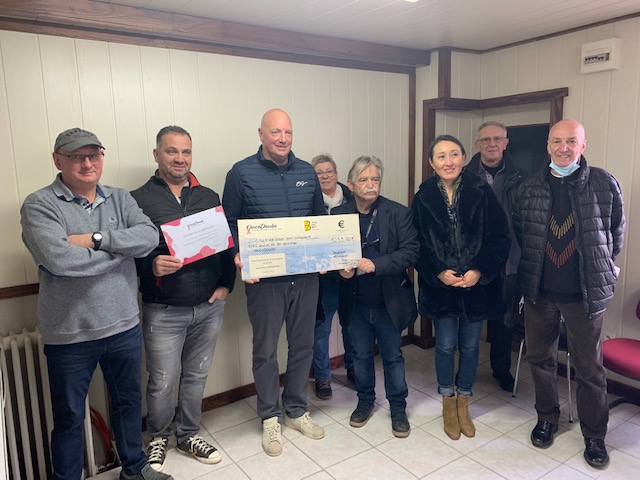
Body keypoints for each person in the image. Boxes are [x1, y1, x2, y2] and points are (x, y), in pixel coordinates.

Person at [20, 128, 172, 480]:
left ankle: (134, 469)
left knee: (129, 406)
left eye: (93, 155)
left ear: (102, 158)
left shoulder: (120, 198)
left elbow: (149, 237)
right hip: (69, 335)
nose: (87, 163)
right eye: (76, 157)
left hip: (123, 326)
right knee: (70, 418)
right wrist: (121, 252)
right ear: (58, 160)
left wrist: (95, 239)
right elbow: (60, 261)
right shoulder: (39, 204)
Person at [513, 119, 625, 469]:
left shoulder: (604, 183)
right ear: (548, 146)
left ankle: (594, 435)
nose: (563, 148)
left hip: (585, 295)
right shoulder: (529, 187)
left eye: (571, 141)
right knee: (540, 359)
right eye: (557, 141)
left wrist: (597, 266)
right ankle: (547, 417)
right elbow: (521, 233)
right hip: (539, 291)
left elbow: (614, 236)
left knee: (589, 368)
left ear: (583, 145)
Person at [222, 108, 326, 456]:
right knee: (265, 350)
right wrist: (238, 253)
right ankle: (270, 415)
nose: (283, 139)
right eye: (275, 132)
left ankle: (296, 409)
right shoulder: (241, 173)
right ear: (261, 134)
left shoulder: (306, 172)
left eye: (288, 133)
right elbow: (231, 223)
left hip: (305, 276)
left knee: (303, 345)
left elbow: (317, 221)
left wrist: (323, 255)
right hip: (264, 279)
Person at [131, 126, 236, 471]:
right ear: (156, 154)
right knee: (162, 379)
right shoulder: (138, 199)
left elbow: (224, 246)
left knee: (197, 374)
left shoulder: (208, 195)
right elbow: (127, 254)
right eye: (172, 151)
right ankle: (159, 437)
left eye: (186, 152)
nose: (180, 158)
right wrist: (151, 266)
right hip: (163, 309)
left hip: (208, 305)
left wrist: (227, 284)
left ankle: (188, 433)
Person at [412, 135, 510, 441]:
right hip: (441, 287)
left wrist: (479, 270)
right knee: (444, 345)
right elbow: (416, 245)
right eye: (441, 156)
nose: (448, 161)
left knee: (470, 346)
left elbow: (499, 238)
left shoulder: (483, 192)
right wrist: (437, 272)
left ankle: (464, 400)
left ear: (464, 157)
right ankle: (447, 400)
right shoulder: (422, 198)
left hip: (475, 287)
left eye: (454, 154)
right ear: (431, 163)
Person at [336, 155, 419, 438]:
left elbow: (410, 252)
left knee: (393, 357)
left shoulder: (398, 213)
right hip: (355, 302)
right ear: (350, 184)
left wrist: (376, 264)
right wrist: (340, 272)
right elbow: (328, 256)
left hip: (388, 301)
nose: (371, 185)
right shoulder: (338, 216)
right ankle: (365, 402)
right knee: (359, 356)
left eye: (375, 179)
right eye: (364, 180)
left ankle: (398, 408)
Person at [467, 121, 523, 392]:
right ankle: (466, 371)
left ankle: (501, 369)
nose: (491, 144)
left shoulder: (520, 177)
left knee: (504, 321)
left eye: (497, 139)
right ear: (477, 145)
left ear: (506, 142)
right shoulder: (464, 177)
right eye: (485, 139)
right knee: (471, 321)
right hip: (474, 263)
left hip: (509, 262)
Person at [311, 153, 354, 400]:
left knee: (351, 327)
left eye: (329, 171)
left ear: (337, 174)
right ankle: (322, 377)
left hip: (349, 277)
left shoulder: (351, 198)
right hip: (322, 279)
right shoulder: (309, 201)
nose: (325, 176)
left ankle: (354, 369)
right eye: (319, 172)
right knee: (322, 330)